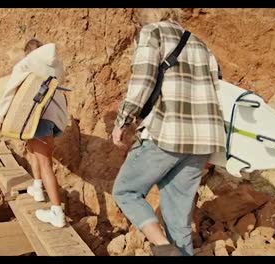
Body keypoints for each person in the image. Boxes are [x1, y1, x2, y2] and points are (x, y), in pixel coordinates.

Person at [111, 9, 226, 256]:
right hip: (203, 141)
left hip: (168, 133)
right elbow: (220, 88)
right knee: (178, 219)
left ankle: (163, 247)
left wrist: (123, 121)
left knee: (126, 191)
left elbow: (142, 81)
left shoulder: (153, 32)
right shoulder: (201, 44)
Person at [0, 38, 69, 228]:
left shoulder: (26, 65)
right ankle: (37, 187)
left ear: (28, 53)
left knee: (46, 165)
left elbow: (10, 90)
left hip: (38, 119)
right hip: (52, 118)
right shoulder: (55, 67)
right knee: (32, 149)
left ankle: (56, 212)